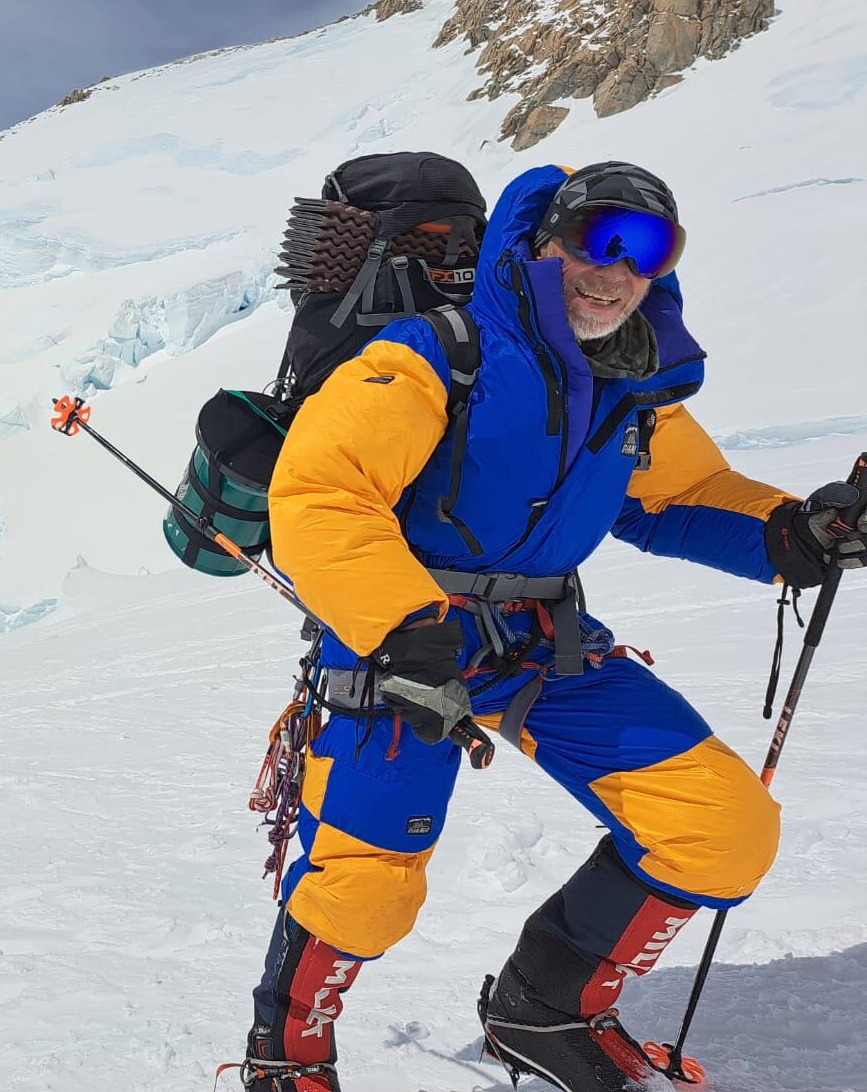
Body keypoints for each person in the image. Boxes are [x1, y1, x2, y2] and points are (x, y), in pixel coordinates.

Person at [240, 161, 866, 1092]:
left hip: (544, 640)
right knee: (367, 882)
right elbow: (325, 494)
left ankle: (542, 1008)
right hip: (401, 643)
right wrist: (402, 624)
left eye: (646, 251)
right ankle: (283, 1060)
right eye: (596, 239)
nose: (613, 270)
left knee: (721, 828)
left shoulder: (630, 381)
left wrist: (795, 531)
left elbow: (681, 496)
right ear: (542, 243)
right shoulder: (431, 355)